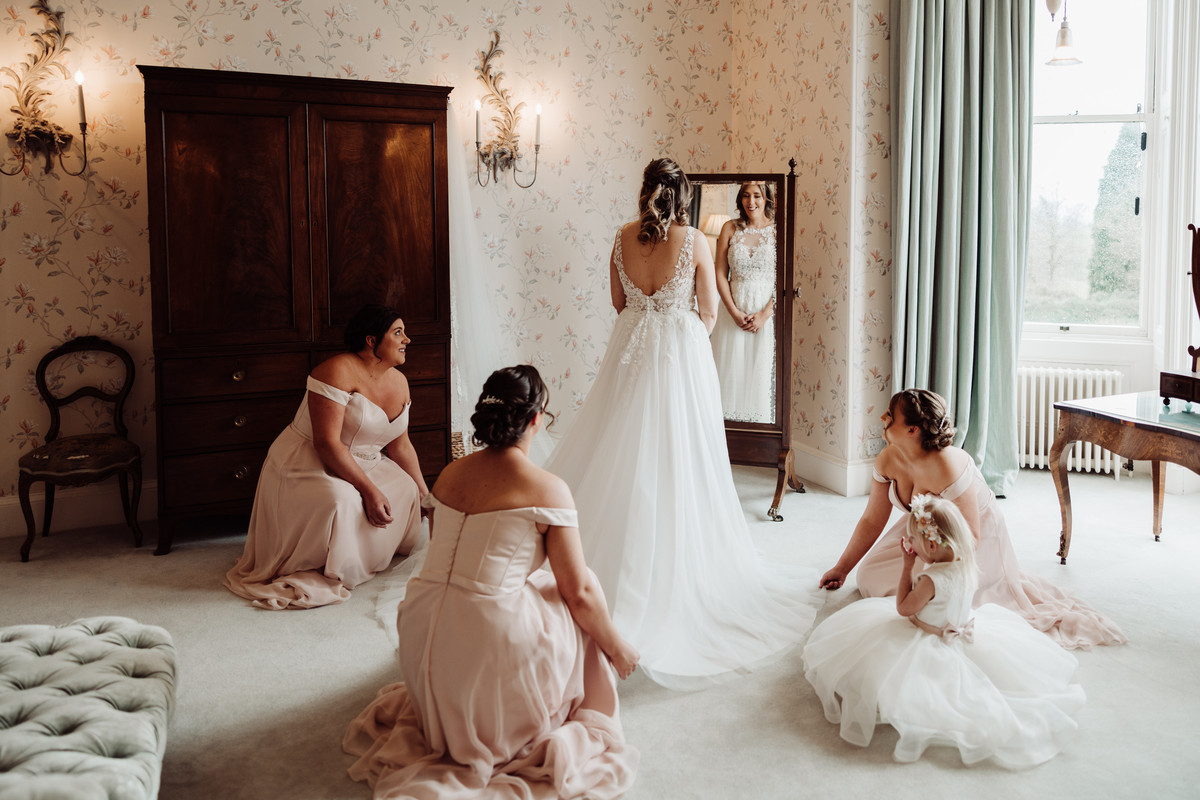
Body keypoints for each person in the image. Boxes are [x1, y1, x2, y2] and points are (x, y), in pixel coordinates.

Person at [545, 157, 818, 689]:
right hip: (678, 350)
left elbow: (619, 302)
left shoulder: (623, 238)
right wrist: (684, 326)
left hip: (630, 347)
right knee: (679, 452)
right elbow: (710, 312)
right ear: (684, 195)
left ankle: (607, 556)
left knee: (620, 444)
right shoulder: (693, 239)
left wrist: (646, 317)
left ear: (645, 191)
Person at [343, 366, 640, 799]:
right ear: (537, 420)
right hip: (489, 637)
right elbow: (580, 593)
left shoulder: (449, 475)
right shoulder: (548, 488)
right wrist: (618, 648)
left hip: (422, 626)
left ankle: (458, 694)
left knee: (535, 586)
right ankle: (546, 708)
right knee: (580, 583)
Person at [819, 388, 1126, 649]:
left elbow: (970, 538)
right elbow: (873, 518)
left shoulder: (948, 466)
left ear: (913, 430)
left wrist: (930, 567)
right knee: (869, 576)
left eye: (890, 415)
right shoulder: (888, 458)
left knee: (942, 598)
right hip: (926, 528)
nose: (882, 419)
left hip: (966, 537)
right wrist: (842, 567)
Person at [803, 495, 1086, 768]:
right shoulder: (967, 567)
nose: (909, 543)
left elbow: (903, 608)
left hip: (927, 636)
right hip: (961, 630)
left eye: (913, 539)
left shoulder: (929, 579)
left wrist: (907, 566)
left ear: (931, 543)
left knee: (878, 661)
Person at [224, 304, 427, 610]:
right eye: (398, 332)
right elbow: (327, 444)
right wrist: (369, 490)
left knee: (405, 487)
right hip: (307, 459)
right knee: (341, 499)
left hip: (366, 459)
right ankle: (325, 566)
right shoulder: (336, 370)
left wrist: (426, 496)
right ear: (373, 340)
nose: (407, 339)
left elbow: (401, 447)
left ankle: (362, 558)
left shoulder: (399, 381)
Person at [709, 181, 777, 422]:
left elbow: (785, 279)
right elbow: (719, 274)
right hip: (732, 310)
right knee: (729, 373)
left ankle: (757, 435)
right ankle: (725, 437)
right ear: (740, 199)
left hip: (764, 313)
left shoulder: (778, 231)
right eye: (746, 196)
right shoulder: (730, 228)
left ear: (766, 198)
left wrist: (765, 314)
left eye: (757, 196)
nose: (751, 202)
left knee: (757, 374)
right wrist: (734, 312)